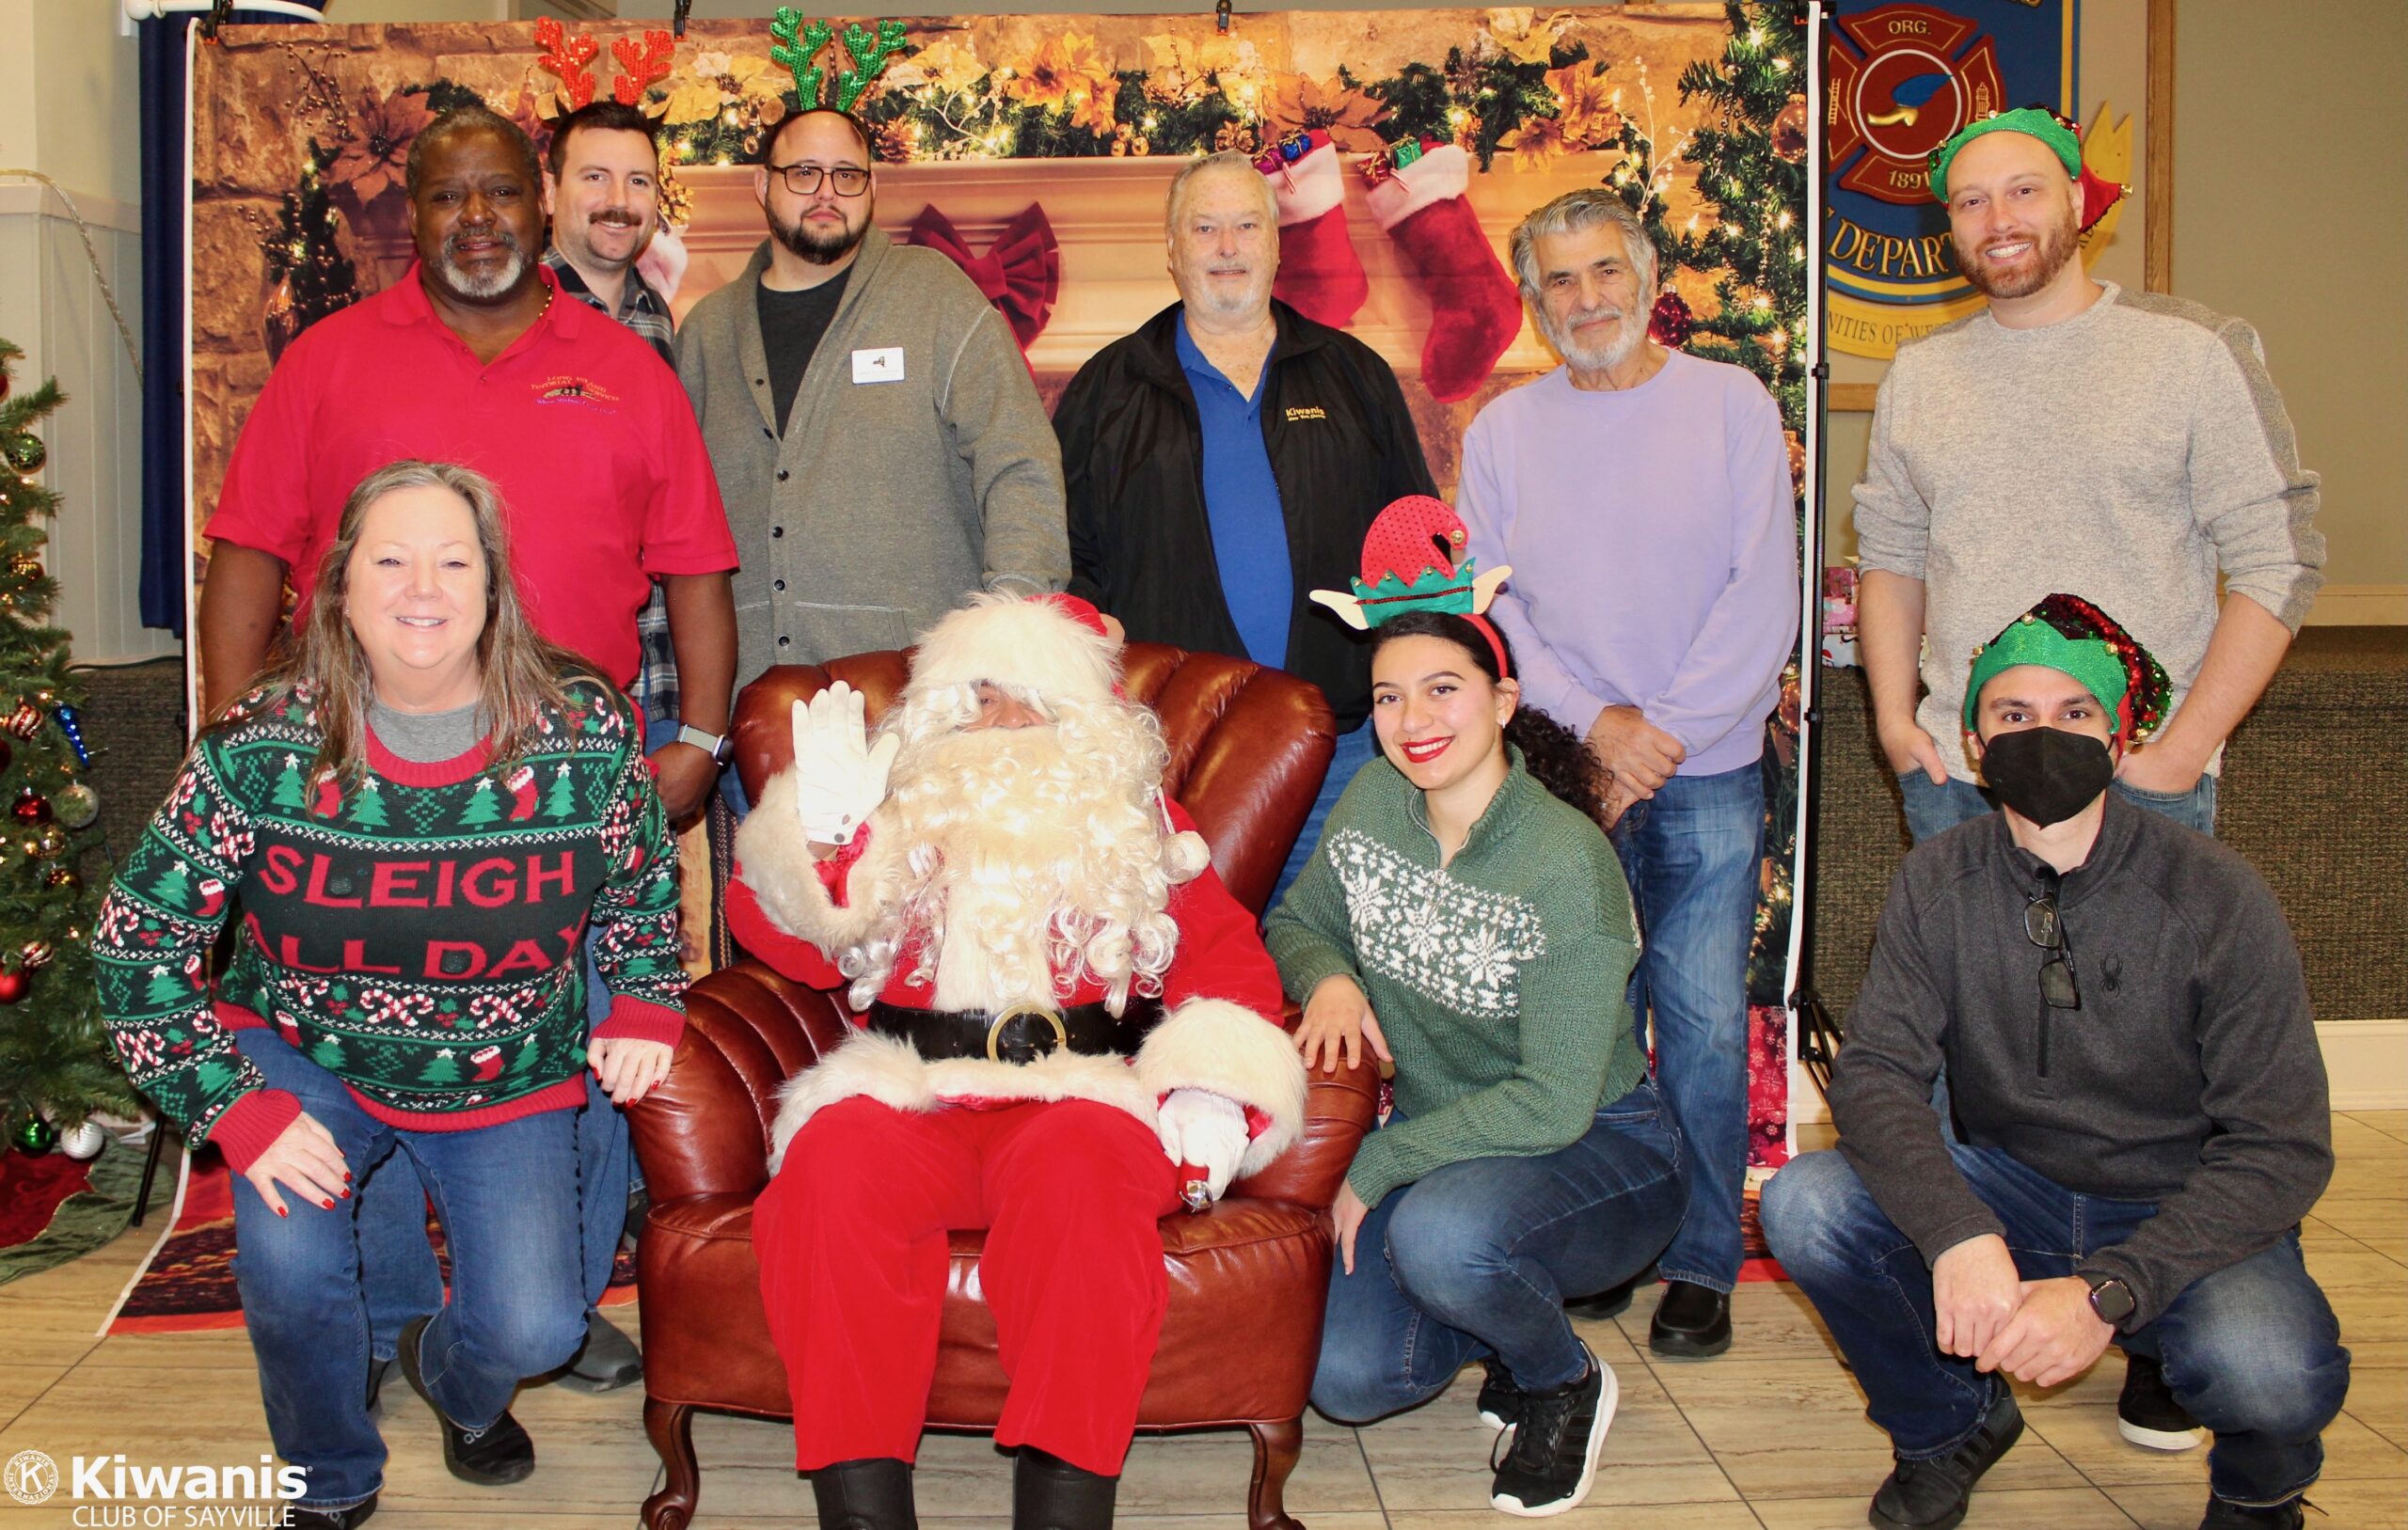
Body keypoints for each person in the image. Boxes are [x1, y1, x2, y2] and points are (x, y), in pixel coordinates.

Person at [198, 103, 733, 1396]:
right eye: (449, 199)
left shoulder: (626, 366)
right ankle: (387, 1311)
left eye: (502, 196)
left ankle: (544, 1287)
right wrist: (225, 733)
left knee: (604, 1038)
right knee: (344, 1046)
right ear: (414, 218)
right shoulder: (328, 361)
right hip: (360, 793)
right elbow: (252, 550)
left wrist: (703, 734)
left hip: (568, 799)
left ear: (540, 206)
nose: (479, 221)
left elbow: (700, 569)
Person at [96, 461, 687, 1530]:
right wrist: (239, 1108)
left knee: (538, 1329)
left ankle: (443, 1366)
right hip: (301, 1054)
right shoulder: (259, 744)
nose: (425, 586)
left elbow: (641, 887)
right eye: (392, 559)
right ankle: (328, 1474)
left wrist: (646, 1001)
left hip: (504, 1063)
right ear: (339, 590)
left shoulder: (584, 731)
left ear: (495, 588)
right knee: (289, 1260)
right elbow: (137, 945)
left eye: (455, 560)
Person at [721, 592, 1307, 1529]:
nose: (1003, 723)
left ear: (1087, 721)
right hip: (909, 1089)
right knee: (826, 1178)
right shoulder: (893, 815)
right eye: (981, 696)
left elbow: (1228, 963)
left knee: (1082, 1185)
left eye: (1033, 699)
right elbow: (789, 943)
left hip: (1080, 1093)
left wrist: (1212, 1086)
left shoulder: (1141, 830)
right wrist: (818, 844)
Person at [1760, 595, 2347, 1530]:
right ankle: (1948, 1426)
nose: (2044, 736)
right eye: (2013, 714)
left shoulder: (2215, 894)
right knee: (1809, 1205)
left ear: (2121, 736)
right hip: (2013, 1189)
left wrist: (2109, 1290)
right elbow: (1874, 1079)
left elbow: (2281, 1145)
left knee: (2271, 1369)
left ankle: (2259, 1494)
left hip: (2177, 1204)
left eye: (2075, 713)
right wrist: (1957, 1232)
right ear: (1973, 737)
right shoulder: (1934, 879)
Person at [1268, 511, 1685, 1520]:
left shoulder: (1564, 862)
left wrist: (1376, 1163)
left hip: (1599, 1148)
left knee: (1449, 1237)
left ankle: (1560, 1378)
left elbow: (1548, 1102)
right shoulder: (1372, 799)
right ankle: (1500, 1318)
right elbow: (1294, 918)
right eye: (1388, 696)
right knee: (1349, 1378)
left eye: (1443, 688)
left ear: (1502, 699)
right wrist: (1329, 975)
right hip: (1446, 1139)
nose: (1414, 718)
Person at [1457, 188, 1798, 1358]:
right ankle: (1609, 1234)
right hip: (1563, 774)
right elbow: (1490, 606)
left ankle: (1702, 1255)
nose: (1585, 298)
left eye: (1604, 270)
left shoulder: (1730, 406)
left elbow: (1763, 593)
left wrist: (1660, 738)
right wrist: (1598, 729)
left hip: (1706, 771)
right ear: (1532, 300)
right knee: (1583, 1019)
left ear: (1645, 275)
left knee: (1700, 1022)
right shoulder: (1502, 432)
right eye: (1558, 280)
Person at [1854, 106, 2324, 847]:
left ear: (2077, 199)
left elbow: (2280, 559)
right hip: (1960, 784)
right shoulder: (1919, 375)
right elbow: (1891, 554)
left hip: (2139, 783)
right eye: (1972, 201)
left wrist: (2181, 751)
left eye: (2024, 191)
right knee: (1972, 972)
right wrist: (1893, 720)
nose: (1999, 218)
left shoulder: (2195, 353)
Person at [1054, 147, 1438, 904]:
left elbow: (1415, 548)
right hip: (1178, 765)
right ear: (1171, 250)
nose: (1226, 248)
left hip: (1350, 757)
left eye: (1244, 226)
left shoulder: (1353, 374)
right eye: (1204, 229)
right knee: (1203, 999)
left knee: (1349, 991)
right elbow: (1070, 568)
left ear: (1275, 241)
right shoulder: (1106, 390)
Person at [675, 107, 1068, 723]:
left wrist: (1010, 636)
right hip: (751, 715)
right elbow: (677, 525)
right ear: (762, 186)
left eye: (847, 175)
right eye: (804, 172)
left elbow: (1019, 460)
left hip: (916, 709)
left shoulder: (936, 297)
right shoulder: (707, 331)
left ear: (873, 189)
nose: (827, 192)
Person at [541, 98, 681, 744]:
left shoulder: (656, 316)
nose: (618, 200)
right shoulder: (516, 316)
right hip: (550, 691)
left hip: (656, 681)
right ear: (550, 190)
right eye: (594, 177)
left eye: (638, 181)